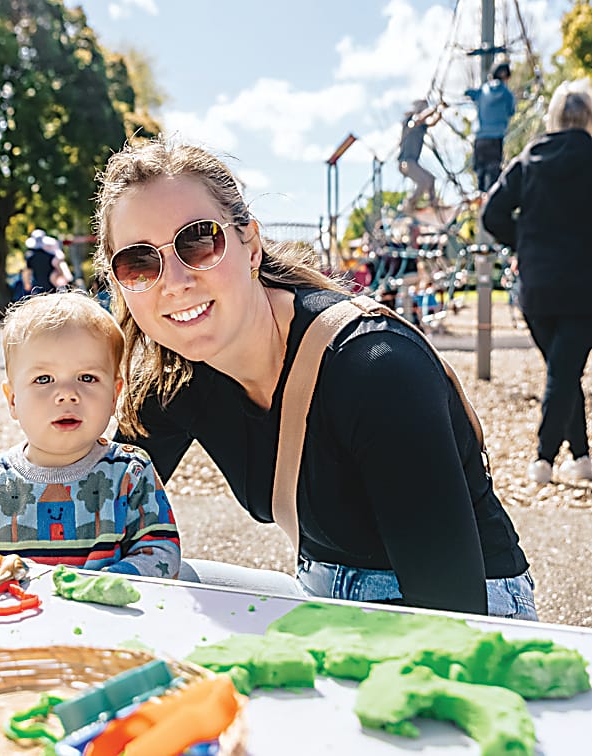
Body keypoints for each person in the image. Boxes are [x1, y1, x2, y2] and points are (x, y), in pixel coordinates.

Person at [93, 138, 534, 618]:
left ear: (251, 246)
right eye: (138, 263)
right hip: (325, 595)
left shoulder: (374, 367)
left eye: (199, 242)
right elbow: (94, 519)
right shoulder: (174, 378)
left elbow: (450, 617)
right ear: (119, 283)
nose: (174, 281)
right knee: (122, 590)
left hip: (468, 612)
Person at [0, 291, 180, 578]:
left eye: (87, 378)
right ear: (13, 400)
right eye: (44, 379)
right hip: (5, 618)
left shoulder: (129, 473)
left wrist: (100, 584)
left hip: (104, 620)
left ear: (114, 395)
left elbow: (160, 553)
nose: (67, 394)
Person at [483, 79, 592, 486]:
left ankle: (581, 456)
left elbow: (492, 215)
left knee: (562, 371)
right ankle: (544, 460)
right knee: (563, 374)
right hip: (584, 288)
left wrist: (525, 241)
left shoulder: (529, 159)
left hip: (538, 288)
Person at [466, 62, 516, 193]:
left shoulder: (483, 90)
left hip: (480, 139)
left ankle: (479, 206)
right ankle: (491, 207)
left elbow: (469, 93)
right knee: (494, 177)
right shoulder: (507, 93)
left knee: (480, 176)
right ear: (506, 77)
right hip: (496, 139)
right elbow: (511, 111)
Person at [397, 99, 443, 212]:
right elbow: (420, 118)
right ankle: (409, 204)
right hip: (406, 162)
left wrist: (440, 111)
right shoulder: (410, 121)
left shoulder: (421, 126)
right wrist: (436, 107)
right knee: (423, 182)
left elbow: (433, 122)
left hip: (412, 162)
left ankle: (433, 205)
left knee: (430, 179)